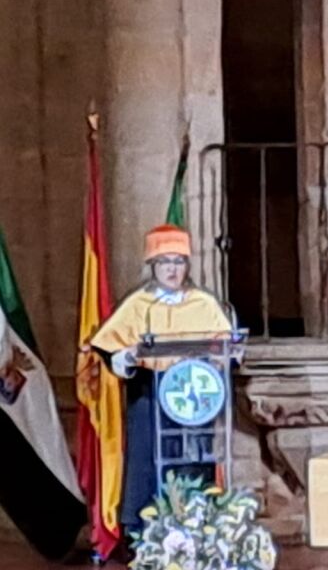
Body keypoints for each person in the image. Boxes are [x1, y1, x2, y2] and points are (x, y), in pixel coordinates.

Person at [88, 225, 232, 538]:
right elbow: (109, 347)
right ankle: (145, 531)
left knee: (193, 456)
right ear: (152, 266)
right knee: (147, 458)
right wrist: (126, 356)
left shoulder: (203, 304)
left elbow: (225, 346)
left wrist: (221, 357)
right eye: (164, 261)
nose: (172, 269)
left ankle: (196, 525)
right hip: (149, 392)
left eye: (179, 261)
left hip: (193, 395)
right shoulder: (139, 304)